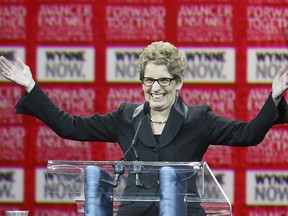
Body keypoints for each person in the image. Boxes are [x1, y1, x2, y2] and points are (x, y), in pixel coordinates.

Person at [1, 41, 288, 216]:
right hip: (133, 213)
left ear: (178, 83)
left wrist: (274, 97)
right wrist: (31, 87)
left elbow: (248, 134)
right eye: (148, 80)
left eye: (163, 80)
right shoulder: (127, 117)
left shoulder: (199, 119)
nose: (155, 88)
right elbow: (71, 127)